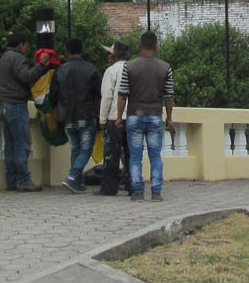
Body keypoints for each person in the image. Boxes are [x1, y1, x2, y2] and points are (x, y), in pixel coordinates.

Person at [114, 31, 174, 201]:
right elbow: (169, 96)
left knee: (135, 157)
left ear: (139, 45)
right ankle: (156, 192)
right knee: (155, 156)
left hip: (134, 115)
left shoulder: (129, 66)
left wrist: (119, 117)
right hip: (155, 115)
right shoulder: (165, 67)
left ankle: (138, 191)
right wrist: (169, 118)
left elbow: (122, 94)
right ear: (155, 46)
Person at [0, 29, 46, 192]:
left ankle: (11, 179)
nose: (26, 48)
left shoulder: (3, 58)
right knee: (22, 144)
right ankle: (23, 180)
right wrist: (41, 64)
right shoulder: (17, 58)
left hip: (4, 104)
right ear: (20, 45)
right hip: (16, 105)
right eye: (25, 45)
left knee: (10, 145)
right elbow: (26, 76)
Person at [54, 37, 102, 194]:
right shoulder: (91, 69)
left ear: (66, 51)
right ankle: (73, 176)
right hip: (86, 114)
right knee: (86, 149)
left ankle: (78, 182)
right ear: (82, 50)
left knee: (75, 149)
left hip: (66, 115)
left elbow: (53, 94)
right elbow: (100, 92)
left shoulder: (61, 70)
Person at [98, 40, 131, 195]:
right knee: (131, 154)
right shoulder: (133, 69)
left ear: (115, 56)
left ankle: (109, 187)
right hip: (132, 117)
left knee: (111, 155)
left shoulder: (111, 71)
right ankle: (132, 185)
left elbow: (107, 97)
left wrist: (102, 120)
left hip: (114, 117)